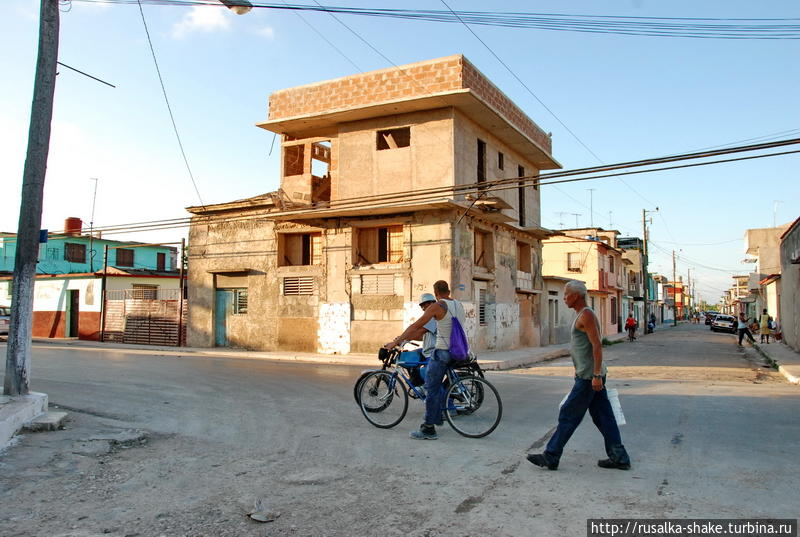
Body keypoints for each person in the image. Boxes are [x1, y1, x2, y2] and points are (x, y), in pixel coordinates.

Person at [527, 280, 631, 471]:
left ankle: (551, 455)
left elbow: (597, 345)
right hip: (589, 375)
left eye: (566, 294)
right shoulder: (582, 315)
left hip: (589, 377)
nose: (564, 297)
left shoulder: (587, 315)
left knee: (568, 413)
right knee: (603, 417)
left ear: (575, 296)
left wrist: (597, 375)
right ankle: (619, 456)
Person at [384, 280, 467, 440]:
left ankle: (429, 428)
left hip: (442, 352)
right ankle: (439, 415)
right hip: (458, 351)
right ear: (448, 291)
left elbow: (416, 326)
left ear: (436, 294)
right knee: (433, 383)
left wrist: (396, 342)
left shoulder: (438, 306)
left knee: (430, 388)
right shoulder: (459, 304)